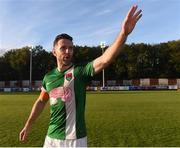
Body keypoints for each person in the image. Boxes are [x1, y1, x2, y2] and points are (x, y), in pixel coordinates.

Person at [19, 5, 142, 147]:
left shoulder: (80, 71)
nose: (68, 51)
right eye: (63, 48)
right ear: (54, 52)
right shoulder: (48, 77)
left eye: (71, 48)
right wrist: (28, 125)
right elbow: (41, 101)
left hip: (75, 140)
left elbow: (105, 59)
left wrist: (123, 33)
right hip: (51, 138)